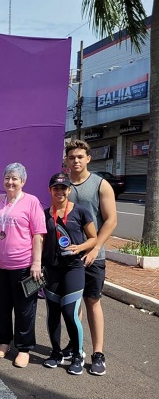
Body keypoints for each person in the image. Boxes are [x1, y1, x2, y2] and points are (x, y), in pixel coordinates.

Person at [0, 162, 46, 368]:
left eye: (15, 178)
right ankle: (4, 341)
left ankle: (24, 348)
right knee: (2, 305)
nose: (10, 182)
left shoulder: (32, 202)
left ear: (23, 181)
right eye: (7, 178)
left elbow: (38, 234)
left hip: (24, 265)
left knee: (25, 308)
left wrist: (36, 263)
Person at [65, 139, 117, 375]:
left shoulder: (100, 184)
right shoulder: (62, 185)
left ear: (88, 158)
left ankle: (98, 353)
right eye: (71, 157)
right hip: (69, 256)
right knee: (73, 304)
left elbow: (111, 220)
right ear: (66, 161)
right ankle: (77, 347)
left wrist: (96, 247)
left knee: (92, 302)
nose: (76, 161)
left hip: (93, 257)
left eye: (79, 157)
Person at [42, 172, 97, 376]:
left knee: (70, 312)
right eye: (56, 188)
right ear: (50, 190)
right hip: (52, 269)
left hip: (74, 267)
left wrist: (79, 247)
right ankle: (56, 353)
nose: (60, 192)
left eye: (63, 188)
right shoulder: (45, 213)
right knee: (53, 313)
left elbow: (94, 239)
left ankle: (77, 354)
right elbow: (39, 240)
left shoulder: (80, 211)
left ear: (69, 190)